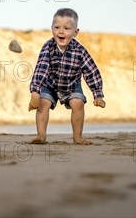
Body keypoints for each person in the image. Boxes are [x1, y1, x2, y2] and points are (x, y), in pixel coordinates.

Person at [28, 8, 106, 145]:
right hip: (50, 84)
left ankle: (78, 137)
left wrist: (98, 94)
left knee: (78, 103)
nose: (61, 31)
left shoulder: (79, 51)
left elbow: (91, 71)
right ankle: (41, 135)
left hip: (71, 84)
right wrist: (35, 92)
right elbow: (41, 68)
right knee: (43, 103)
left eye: (67, 28)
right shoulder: (48, 47)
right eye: (57, 27)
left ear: (76, 32)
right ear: (52, 29)